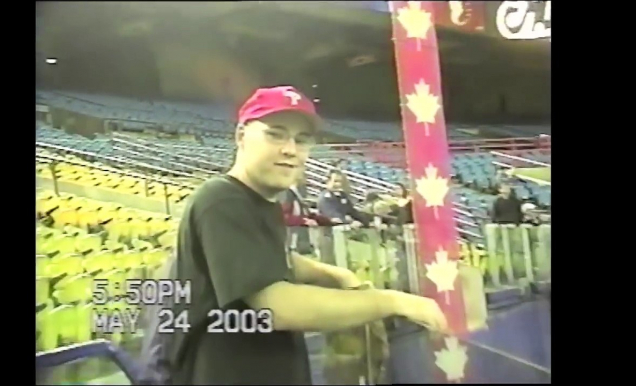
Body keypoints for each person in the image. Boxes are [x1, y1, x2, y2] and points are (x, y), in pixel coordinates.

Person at [139, 86, 447, 385]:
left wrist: (330, 273)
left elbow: (268, 255)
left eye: (302, 140)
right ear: (241, 136)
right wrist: (392, 301)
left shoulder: (260, 203)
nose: (290, 149)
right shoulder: (221, 200)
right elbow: (279, 307)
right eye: (275, 134)